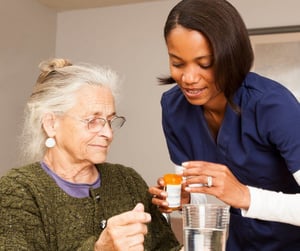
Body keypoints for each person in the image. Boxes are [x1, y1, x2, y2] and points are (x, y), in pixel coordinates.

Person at [148, 0, 300, 250]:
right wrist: (186, 198)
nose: (188, 78)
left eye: (205, 64)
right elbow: (205, 199)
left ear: (232, 55)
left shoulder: (273, 105)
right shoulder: (174, 107)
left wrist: (243, 195)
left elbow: (238, 196)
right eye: (177, 63)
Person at [0, 58, 182, 251]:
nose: (108, 133)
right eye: (93, 120)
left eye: (110, 120)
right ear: (51, 124)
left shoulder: (128, 181)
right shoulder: (19, 190)